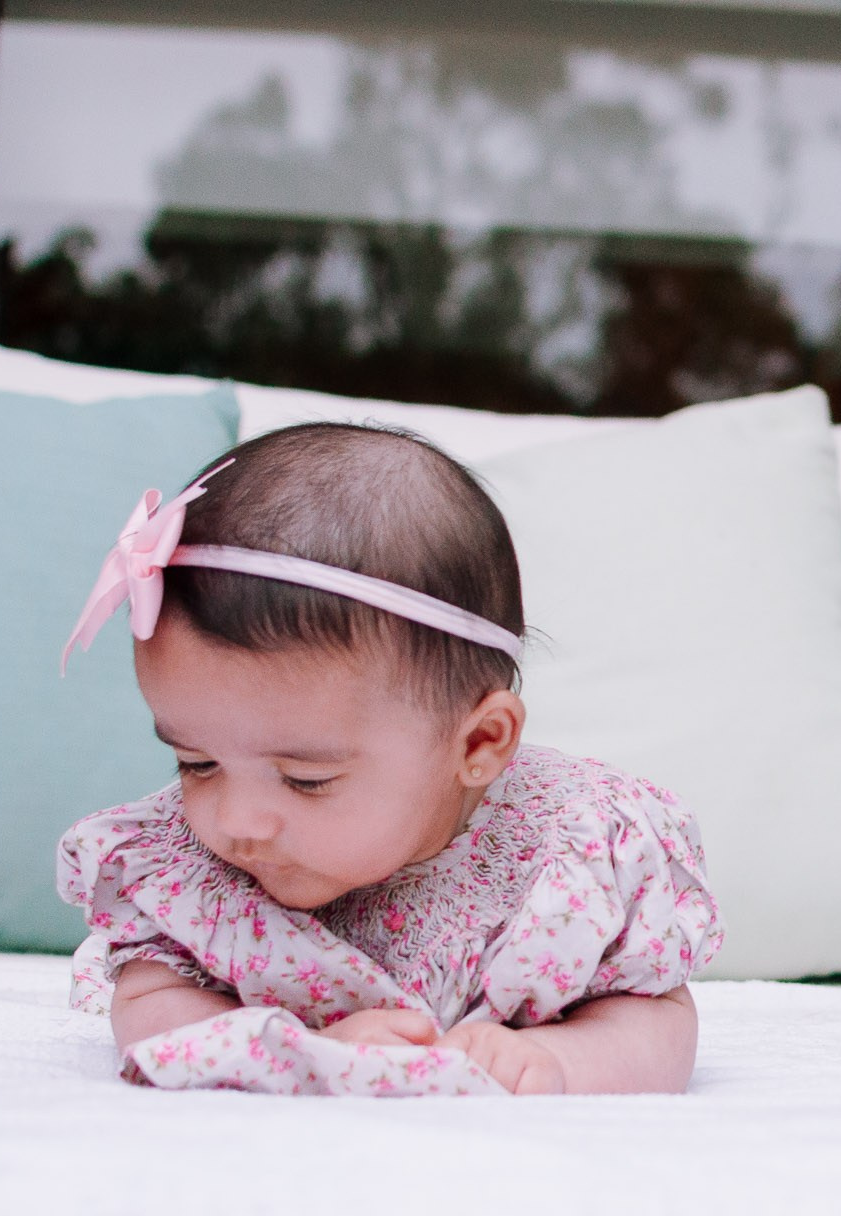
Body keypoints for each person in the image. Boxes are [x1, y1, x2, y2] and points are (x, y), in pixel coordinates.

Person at [56, 423, 722, 1096]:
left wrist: (561, 1060)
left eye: (305, 779)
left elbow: (657, 1014)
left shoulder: (578, 851)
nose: (237, 819)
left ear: (477, 745)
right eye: (196, 763)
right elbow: (147, 1007)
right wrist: (299, 1050)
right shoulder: (187, 876)